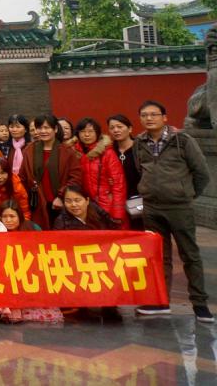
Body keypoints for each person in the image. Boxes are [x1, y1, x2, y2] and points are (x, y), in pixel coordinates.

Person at [132, 100, 212, 322]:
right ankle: (161, 301)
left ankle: (200, 304)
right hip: (151, 207)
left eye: (154, 114)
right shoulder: (139, 142)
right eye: (144, 115)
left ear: (164, 117)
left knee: (190, 255)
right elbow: (140, 169)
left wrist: (186, 194)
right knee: (159, 256)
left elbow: (202, 173)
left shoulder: (182, 140)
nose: (149, 118)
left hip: (179, 206)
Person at [17, 114, 82, 230]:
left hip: (61, 203)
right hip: (37, 203)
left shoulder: (67, 152)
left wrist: (61, 196)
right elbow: (22, 177)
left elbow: (75, 178)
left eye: (47, 128)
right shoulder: (29, 150)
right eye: (39, 128)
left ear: (55, 129)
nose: (43, 131)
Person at [73, 117, 127, 228]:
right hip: (85, 207)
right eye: (82, 131)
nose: (86, 135)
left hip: (107, 206)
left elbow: (118, 184)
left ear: (97, 133)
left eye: (90, 131)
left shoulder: (107, 153)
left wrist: (118, 213)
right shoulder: (75, 153)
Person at [107, 114, 141, 214]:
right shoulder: (109, 151)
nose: (116, 130)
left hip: (139, 198)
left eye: (119, 127)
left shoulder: (140, 149)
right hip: (116, 200)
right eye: (112, 128)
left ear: (130, 129)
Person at [53, 185, 120, 230]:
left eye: (77, 200)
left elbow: (113, 228)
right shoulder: (61, 222)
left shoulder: (97, 211)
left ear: (87, 201)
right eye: (68, 201)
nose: (73, 204)